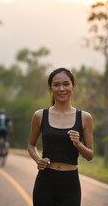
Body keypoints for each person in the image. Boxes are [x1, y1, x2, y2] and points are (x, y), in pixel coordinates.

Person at [28, 67, 93, 206]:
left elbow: (90, 155)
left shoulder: (84, 117)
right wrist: (38, 159)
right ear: (51, 88)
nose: (61, 88)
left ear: (73, 86)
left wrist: (78, 144)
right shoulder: (39, 116)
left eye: (66, 84)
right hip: (45, 184)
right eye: (56, 85)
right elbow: (31, 144)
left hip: (70, 186)